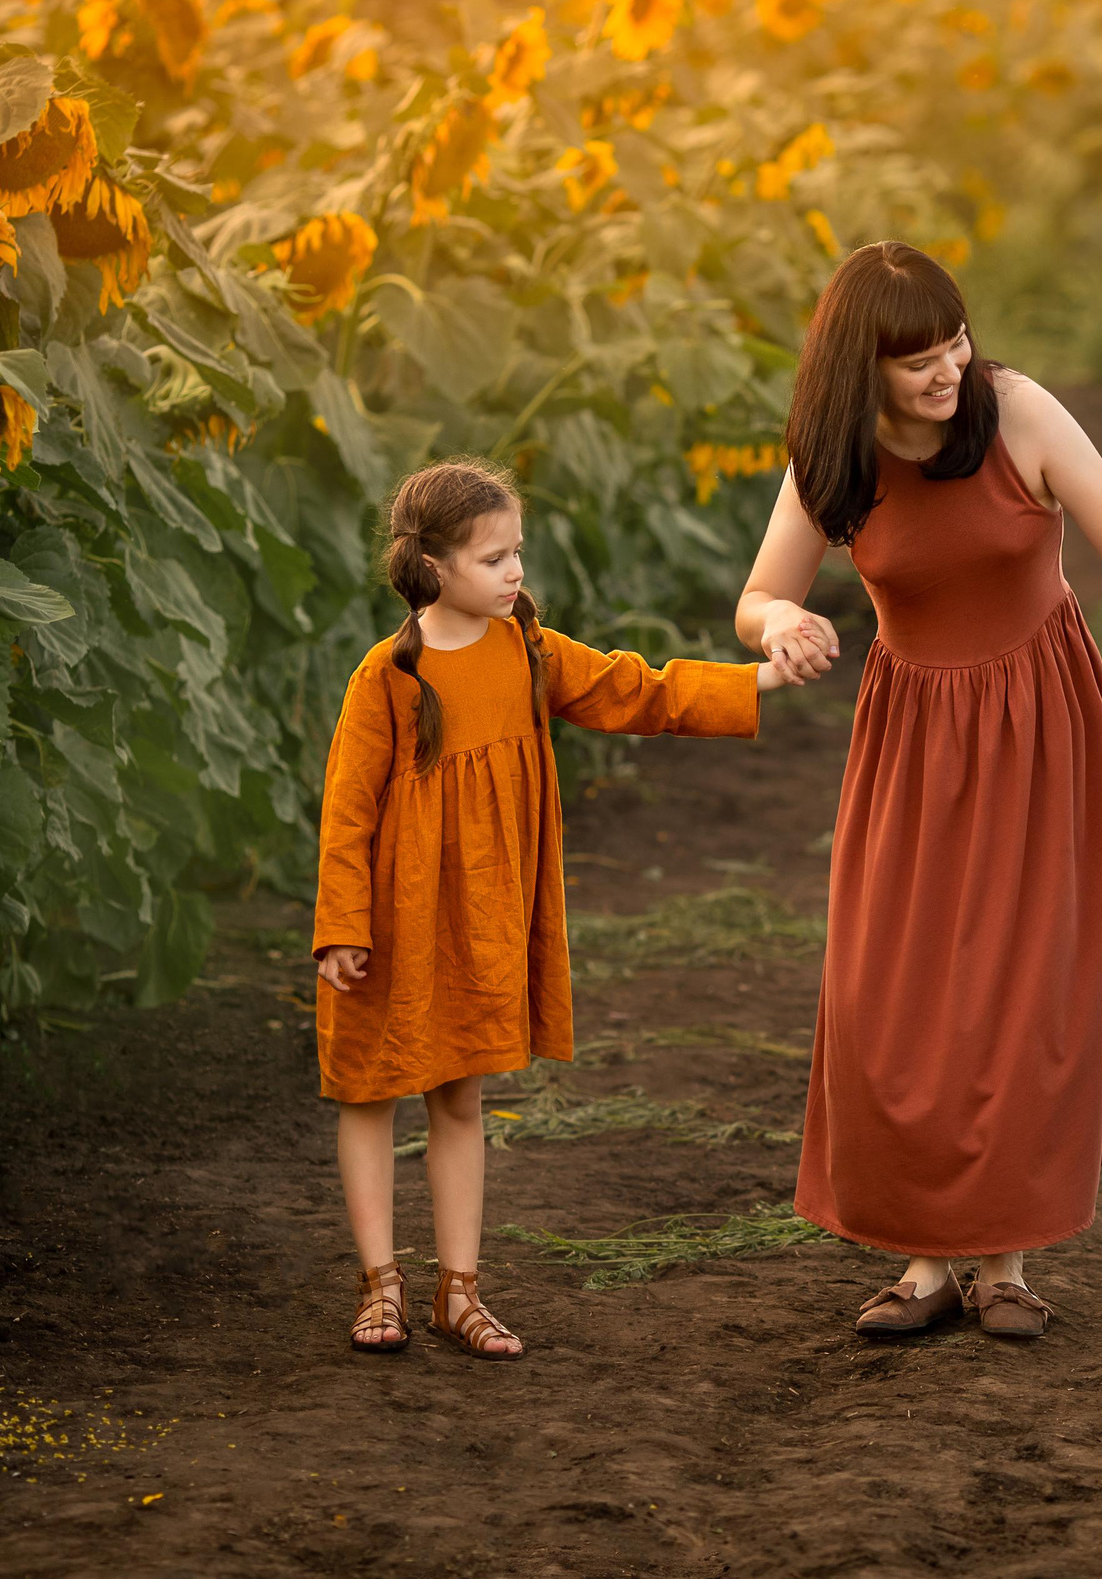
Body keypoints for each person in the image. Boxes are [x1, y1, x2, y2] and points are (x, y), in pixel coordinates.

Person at [738, 241, 1102, 1341]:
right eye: (918, 359)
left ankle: (1004, 1264)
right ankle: (923, 1261)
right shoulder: (831, 455)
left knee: (1021, 983)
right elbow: (761, 593)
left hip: (1042, 724)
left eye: (955, 341)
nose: (949, 368)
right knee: (891, 995)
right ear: (862, 368)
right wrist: (784, 625)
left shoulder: (1019, 412)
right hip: (910, 738)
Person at [314, 457, 783, 1360]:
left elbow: (634, 689)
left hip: (480, 917)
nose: (516, 572)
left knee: (459, 1094)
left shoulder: (528, 650)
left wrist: (755, 682)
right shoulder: (386, 676)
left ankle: (460, 1289)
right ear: (434, 566)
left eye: (517, 551)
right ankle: (381, 1287)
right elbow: (347, 809)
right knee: (368, 1091)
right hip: (390, 920)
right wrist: (340, 927)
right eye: (495, 559)